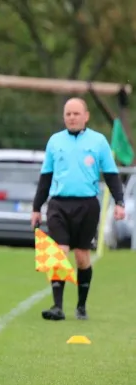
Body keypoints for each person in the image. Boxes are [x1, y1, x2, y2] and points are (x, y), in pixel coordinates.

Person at [31, 97, 125, 321]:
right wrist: (36, 208)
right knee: (59, 252)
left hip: (87, 205)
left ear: (86, 116)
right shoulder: (55, 142)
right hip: (59, 204)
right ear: (64, 117)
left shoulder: (98, 141)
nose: (71, 118)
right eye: (68, 114)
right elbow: (45, 177)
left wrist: (120, 203)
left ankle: (81, 306)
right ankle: (57, 306)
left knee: (82, 257)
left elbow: (111, 175)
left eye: (76, 114)